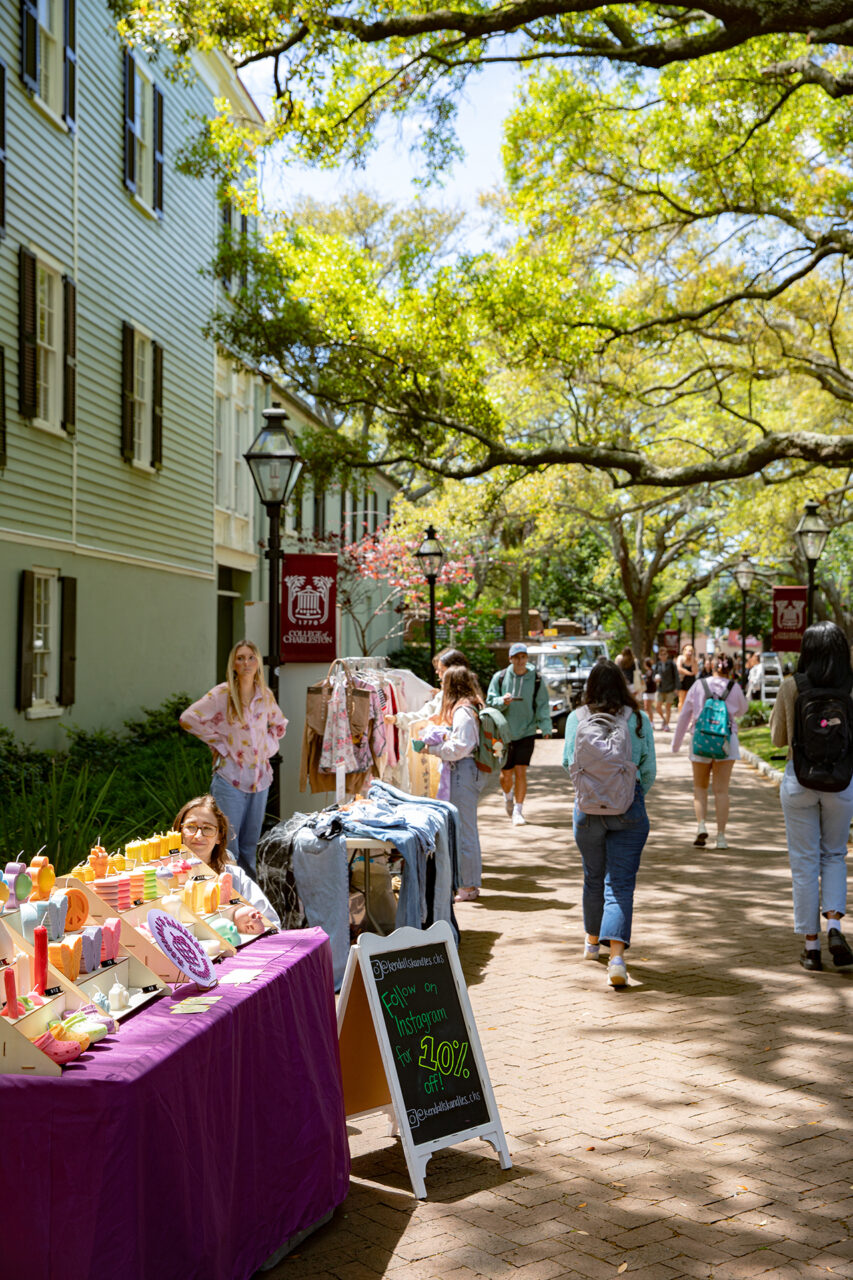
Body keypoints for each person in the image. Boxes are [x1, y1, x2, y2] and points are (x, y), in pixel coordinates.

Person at [562, 659, 656, 987]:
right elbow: (649, 770)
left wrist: (594, 789)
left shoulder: (576, 719)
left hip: (587, 810)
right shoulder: (639, 719)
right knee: (619, 884)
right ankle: (616, 958)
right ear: (622, 685)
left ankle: (591, 943)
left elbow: (566, 763)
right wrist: (624, 790)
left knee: (592, 877)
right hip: (628, 809)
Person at [769, 621, 853, 973]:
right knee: (834, 854)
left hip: (799, 780)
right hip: (841, 782)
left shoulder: (792, 685)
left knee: (804, 863)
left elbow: (776, 738)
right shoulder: (849, 687)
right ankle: (834, 926)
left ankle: (812, 946)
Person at [179, 640, 288, 876]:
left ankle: (249, 901)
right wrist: (219, 742)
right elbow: (188, 718)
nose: (246, 663)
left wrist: (266, 748)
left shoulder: (264, 694)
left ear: (258, 662)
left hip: (259, 780)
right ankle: (228, 897)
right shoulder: (223, 694)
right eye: (240, 658)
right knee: (229, 846)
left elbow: (279, 725)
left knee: (250, 847)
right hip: (230, 779)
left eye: (251, 657)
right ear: (233, 664)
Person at [414, 665, 485, 902]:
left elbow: (460, 747)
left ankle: (467, 884)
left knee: (464, 829)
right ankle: (468, 883)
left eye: (444, 681)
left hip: (461, 772)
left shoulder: (462, 711)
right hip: (464, 771)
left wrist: (431, 748)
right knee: (466, 828)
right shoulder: (467, 707)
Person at [672, 654, 748, 849]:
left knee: (700, 788)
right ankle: (721, 837)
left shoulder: (698, 686)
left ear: (711, 667)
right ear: (730, 669)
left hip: (701, 739)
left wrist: (676, 744)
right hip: (725, 740)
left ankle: (701, 825)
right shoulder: (735, 687)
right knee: (722, 791)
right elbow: (742, 710)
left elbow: (684, 715)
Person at [173, 794, 281, 927]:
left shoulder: (235, 877)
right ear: (179, 831)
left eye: (207, 828)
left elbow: (271, 923)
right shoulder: (165, 873)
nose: (198, 835)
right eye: (191, 827)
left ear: (219, 837)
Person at [486, 642, 552, 825]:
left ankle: (518, 810)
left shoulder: (536, 679)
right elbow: (490, 701)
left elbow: (542, 705)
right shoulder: (499, 677)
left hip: (527, 731)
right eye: (516, 657)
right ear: (510, 659)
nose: (520, 660)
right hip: (503, 732)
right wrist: (502, 701)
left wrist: (546, 727)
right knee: (506, 773)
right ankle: (508, 797)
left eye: (523, 657)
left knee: (521, 771)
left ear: (527, 658)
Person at [384, 647, 471, 730]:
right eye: (437, 669)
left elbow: (461, 740)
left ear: (453, 672)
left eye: (441, 670)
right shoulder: (443, 695)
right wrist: (396, 719)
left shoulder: (464, 703)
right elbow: (423, 715)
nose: (437, 672)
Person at [654, 646, 678, 731]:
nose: (663, 656)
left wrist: (676, 688)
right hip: (661, 688)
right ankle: (664, 720)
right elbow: (654, 674)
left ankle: (667, 725)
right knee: (658, 707)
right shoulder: (658, 664)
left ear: (667, 655)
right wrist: (656, 679)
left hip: (670, 688)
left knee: (668, 707)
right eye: (661, 654)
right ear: (659, 656)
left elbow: (676, 676)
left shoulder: (671, 664)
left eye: (664, 654)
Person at [676, 642, 698, 709]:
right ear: (684, 651)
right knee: (681, 700)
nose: (689, 652)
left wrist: (692, 661)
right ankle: (681, 715)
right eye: (688, 650)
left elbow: (695, 672)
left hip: (691, 682)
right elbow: (679, 668)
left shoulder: (693, 660)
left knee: (691, 700)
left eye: (691, 651)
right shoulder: (680, 658)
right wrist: (689, 673)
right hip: (682, 681)